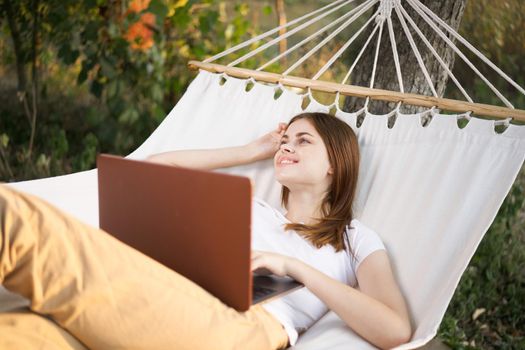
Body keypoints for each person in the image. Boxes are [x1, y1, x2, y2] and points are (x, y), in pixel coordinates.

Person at [0, 112, 411, 350]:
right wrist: (251, 151)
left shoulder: (355, 239)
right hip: (169, 299)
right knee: (21, 335)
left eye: (303, 141)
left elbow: (394, 328)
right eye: (285, 140)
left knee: (21, 223)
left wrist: (294, 268)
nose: (286, 146)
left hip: (242, 327)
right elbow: (151, 173)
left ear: (335, 163)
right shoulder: (247, 207)